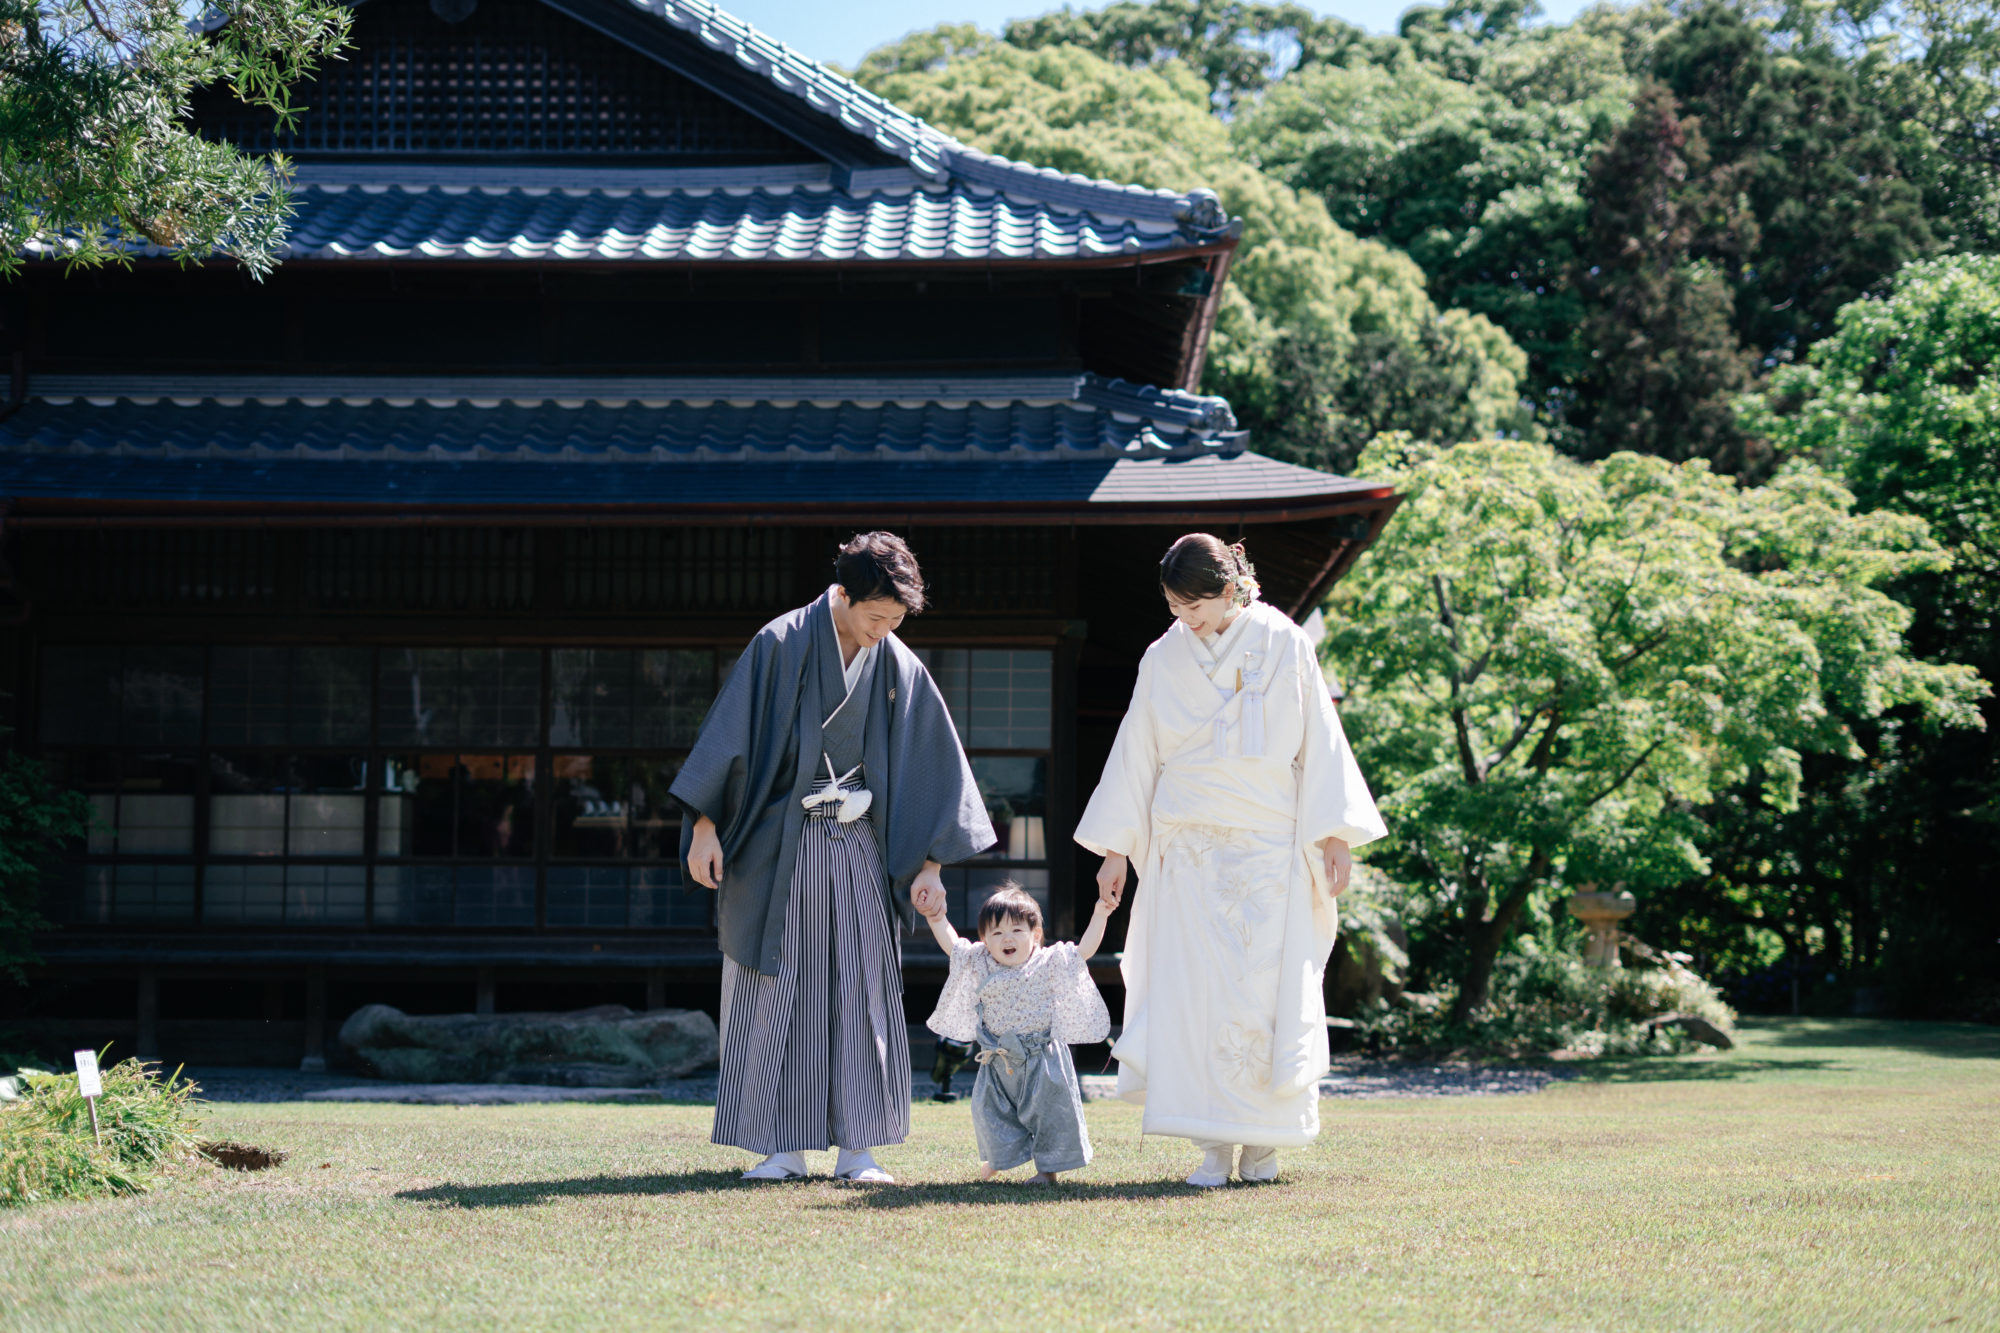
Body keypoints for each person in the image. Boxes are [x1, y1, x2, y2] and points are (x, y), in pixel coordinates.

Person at [672, 532, 996, 1183]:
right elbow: (727, 737)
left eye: (896, 620)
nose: (884, 630)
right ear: (842, 594)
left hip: (860, 844)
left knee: (862, 987)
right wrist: (705, 823)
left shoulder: (896, 663)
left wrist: (930, 863)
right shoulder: (781, 643)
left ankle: (860, 1148)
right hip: (779, 846)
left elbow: (935, 762)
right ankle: (780, 1145)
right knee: (778, 986)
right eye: (876, 616)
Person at [1074, 533, 1386, 1187]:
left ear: (1227, 588)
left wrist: (1333, 835)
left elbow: (1320, 746)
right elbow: (1137, 752)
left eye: (1193, 606)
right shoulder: (1163, 658)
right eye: (1174, 607)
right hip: (1187, 851)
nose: (1184, 619)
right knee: (1194, 995)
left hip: (1266, 846)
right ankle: (1211, 1144)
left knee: (1263, 994)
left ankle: (1264, 1146)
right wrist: (1115, 851)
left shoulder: (1284, 640)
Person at [920, 883, 1113, 1184]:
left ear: (1035, 935)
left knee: (1049, 1115)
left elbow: (1084, 950)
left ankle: (1047, 1172)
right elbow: (953, 945)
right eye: (996, 933)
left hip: (1041, 1059)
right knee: (990, 1113)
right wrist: (935, 918)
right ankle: (999, 1160)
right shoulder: (981, 961)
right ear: (984, 940)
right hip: (999, 1060)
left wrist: (1100, 913)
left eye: (1016, 931)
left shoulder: (1048, 961)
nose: (1006, 939)